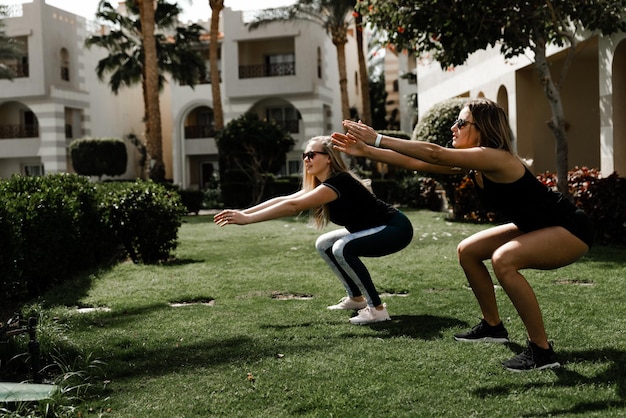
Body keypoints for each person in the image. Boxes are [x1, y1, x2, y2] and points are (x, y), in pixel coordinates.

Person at [332, 98, 594, 371]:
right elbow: (417, 162)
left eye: (461, 122)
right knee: (468, 251)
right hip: (540, 226)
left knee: (503, 259)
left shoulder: (495, 156)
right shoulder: (474, 163)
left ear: (482, 128)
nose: (453, 128)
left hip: (570, 228)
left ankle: (542, 351)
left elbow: (434, 153)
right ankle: (493, 327)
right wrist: (367, 150)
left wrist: (379, 138)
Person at [214, 135, 417, 325]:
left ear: (329, 158)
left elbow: (293, 207)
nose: (306, 160)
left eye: (311, 155)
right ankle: (356, 299)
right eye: (304, 156)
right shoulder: (323, 185)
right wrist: (243, 212)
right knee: (325, 244)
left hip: (394, 228)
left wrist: (248, 219)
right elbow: (286, 200)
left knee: (342, 248)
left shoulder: (339, 182)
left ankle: (377, 310)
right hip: (376, 228)